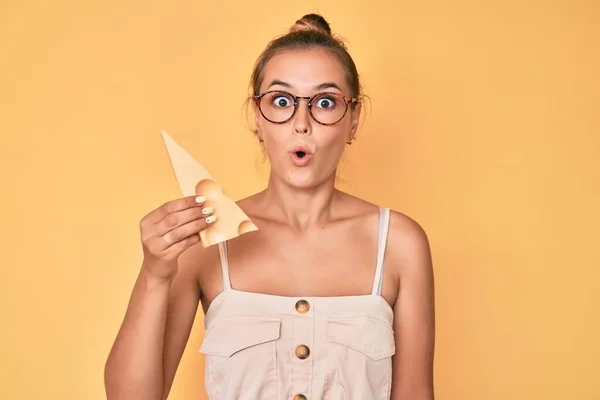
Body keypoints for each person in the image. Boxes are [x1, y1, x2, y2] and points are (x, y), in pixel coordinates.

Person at [104, 13, 435, 400]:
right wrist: (155, 274)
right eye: (281, 101)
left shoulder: (399, 244)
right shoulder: (207, 238)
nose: (301, 123)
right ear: (257, 118)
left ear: (354, 119)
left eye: (325, 102)